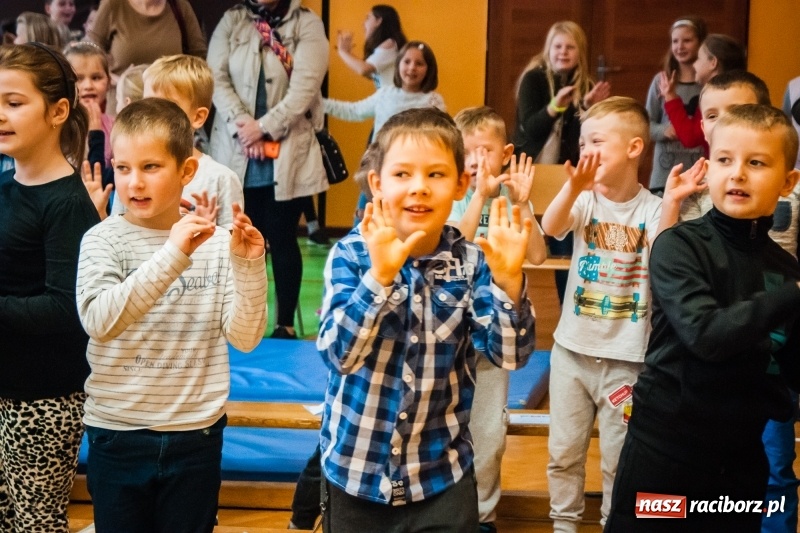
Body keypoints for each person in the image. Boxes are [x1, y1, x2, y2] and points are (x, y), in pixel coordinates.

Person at [317, 106, 536, 533]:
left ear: (460, 184)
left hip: (441, 479)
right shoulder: (351, 255)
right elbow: (338, 356)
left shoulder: (472, 263)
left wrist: (510, 283)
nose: (419, 188)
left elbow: (510, 356)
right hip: (357, 476)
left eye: (435, 175)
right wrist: (379, 278)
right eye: (402, 175)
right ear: (378, 184)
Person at [604, 104, 800, 533]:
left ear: (788, 181)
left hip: (740, 469)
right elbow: (706, 334)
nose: (738, 174)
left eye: (757, 163)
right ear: (707, 169)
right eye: (725, 160)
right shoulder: (679, 246)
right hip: (665, 459)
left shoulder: (786, 272)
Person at [76, 98, 268, 532]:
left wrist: (250, 267)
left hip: (194, 435)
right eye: (122, 168)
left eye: (150, 167)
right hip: (117, 433)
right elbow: (99, 321)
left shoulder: (217, 244)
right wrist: (173, 254)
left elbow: (245, 338)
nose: (134, 183)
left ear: (185, 172)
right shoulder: (102, 240)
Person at [540, 96, 705, 532]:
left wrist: (670, 202)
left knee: (620, 456)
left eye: (596, 141)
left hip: (627, 361)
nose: (585, 150)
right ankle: (564, 524)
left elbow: (663, 258)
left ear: (634, 148)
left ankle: (616, 523)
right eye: (582, 142)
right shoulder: (585, 201)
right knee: (563, 453)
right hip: (572, 353)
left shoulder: (651, 208)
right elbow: (551, 227)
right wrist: (572, 187)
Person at [672, 70, 798, 533]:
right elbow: (698, 326)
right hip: (684, 418)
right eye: (715, 118)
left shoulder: (783, 254)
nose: (738, 171)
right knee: (669, 509)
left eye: (740, 113)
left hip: (759, 390)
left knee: (772, 473)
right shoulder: (686, 223)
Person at [0, 42, 99, 532]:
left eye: (14, 103)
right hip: (4, 384)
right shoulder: (5, 183)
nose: (1, 115)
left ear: (58, 110)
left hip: (41, 398)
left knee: (35, 524)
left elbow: (66, 309)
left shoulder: (66, 204)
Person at [446, 106, 547, 533]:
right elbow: (455, 248)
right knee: (449, 428)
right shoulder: (451, 198)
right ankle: (447, 513)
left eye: (484, 150)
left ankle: (484, 515)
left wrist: (522, 204)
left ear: (506, 154)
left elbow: (539, 255)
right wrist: (481, 196)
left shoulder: (512, 199)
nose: (476, 161)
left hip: (497, 334)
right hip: (453, 335)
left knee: (488, 435)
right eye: (467, 153)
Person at [208, 0, 329, 340]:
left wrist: (265, 126)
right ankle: (246, 322)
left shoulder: (306, 23)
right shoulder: (232, 19)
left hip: (287, 149)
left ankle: (285, 323)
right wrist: (243, 124)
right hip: (237, 148)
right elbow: (215, 77)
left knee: (282, 237)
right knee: (243, 240)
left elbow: (305, 86)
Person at [513, 20, 611, 305]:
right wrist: (556, 106)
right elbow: (531, 128)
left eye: (570, 47)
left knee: (564, 239)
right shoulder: (534, 78)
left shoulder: (585, 85)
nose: (563, 52)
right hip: (530, 169)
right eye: (558, 46)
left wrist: (585, 108)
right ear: (548, 49)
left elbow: (580, 140)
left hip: (565, 173)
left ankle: (569, 304)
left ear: (579, 52)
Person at [109, 54, 244, 230]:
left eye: (167, 106)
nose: (154, 115)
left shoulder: (220, 179)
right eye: (148, 104)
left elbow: (234, 249)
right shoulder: (133, 172)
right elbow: (116, 230)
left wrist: (210, 236)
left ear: (198, 116)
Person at [87, 0, 207, 114]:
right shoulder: (113, 5)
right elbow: (89, 53)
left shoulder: (180, 7)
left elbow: (199, 60)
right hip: (123, 111)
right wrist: (110, 78)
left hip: (169, 112)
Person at [324, 40, 445, 143]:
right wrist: (320, 103)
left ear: (429, 70)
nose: (412, 68)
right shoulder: (385, 94)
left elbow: (441, 136)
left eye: (419, 63)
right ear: (398, 65)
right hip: (380, 162)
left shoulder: (433, 101)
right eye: (407, 62)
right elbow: (354, 111)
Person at [646, 16, 707, 196]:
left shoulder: (707, 84)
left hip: (699, 171)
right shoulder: (661, 81)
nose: (680, 47)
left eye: (687, 40)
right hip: (664, 175)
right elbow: (645, 123)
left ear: (700, 43)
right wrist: (663, 131)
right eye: (675, 41)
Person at [660, 33, 746, 155]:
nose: (694, 65)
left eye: (699, 58)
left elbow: (690, 137)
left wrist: (670, 98)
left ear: (713, 63)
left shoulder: (716, 96)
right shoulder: (741, 90)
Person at [64, 41, 113, 167]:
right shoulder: (57, 126)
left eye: (96, 78)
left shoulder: (116, 126)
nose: (88, 86)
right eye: (78, 79)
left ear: (108, 82)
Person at [335, 4, 406, 90]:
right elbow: (369, 73)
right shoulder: (388, 43)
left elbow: (363, 69)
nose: (363, 23)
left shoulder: (390, 43)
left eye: (368, 18)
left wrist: (343, 52)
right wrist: (348, 53)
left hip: (395, 101)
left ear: (379, 21)